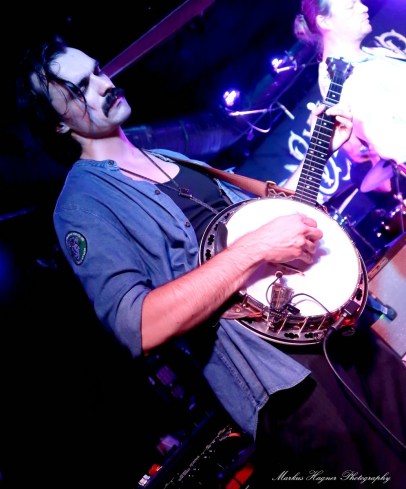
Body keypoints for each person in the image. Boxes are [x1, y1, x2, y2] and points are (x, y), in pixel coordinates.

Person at [16, 35, 406, 488]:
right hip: (287, 382)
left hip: (340, 330)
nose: (103, 85)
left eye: (98, 71)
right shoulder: (81, 204)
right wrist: (254, 249)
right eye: (80, 88)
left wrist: (322, 149)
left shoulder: (170, 158)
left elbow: (271, 217)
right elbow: (137, 325)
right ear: (58, 124)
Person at [290, 0, 406, 260]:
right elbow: (392, 143)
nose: (363, 7)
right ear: (325, 21)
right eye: (351, 6)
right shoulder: (340, 82)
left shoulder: (372, 55)